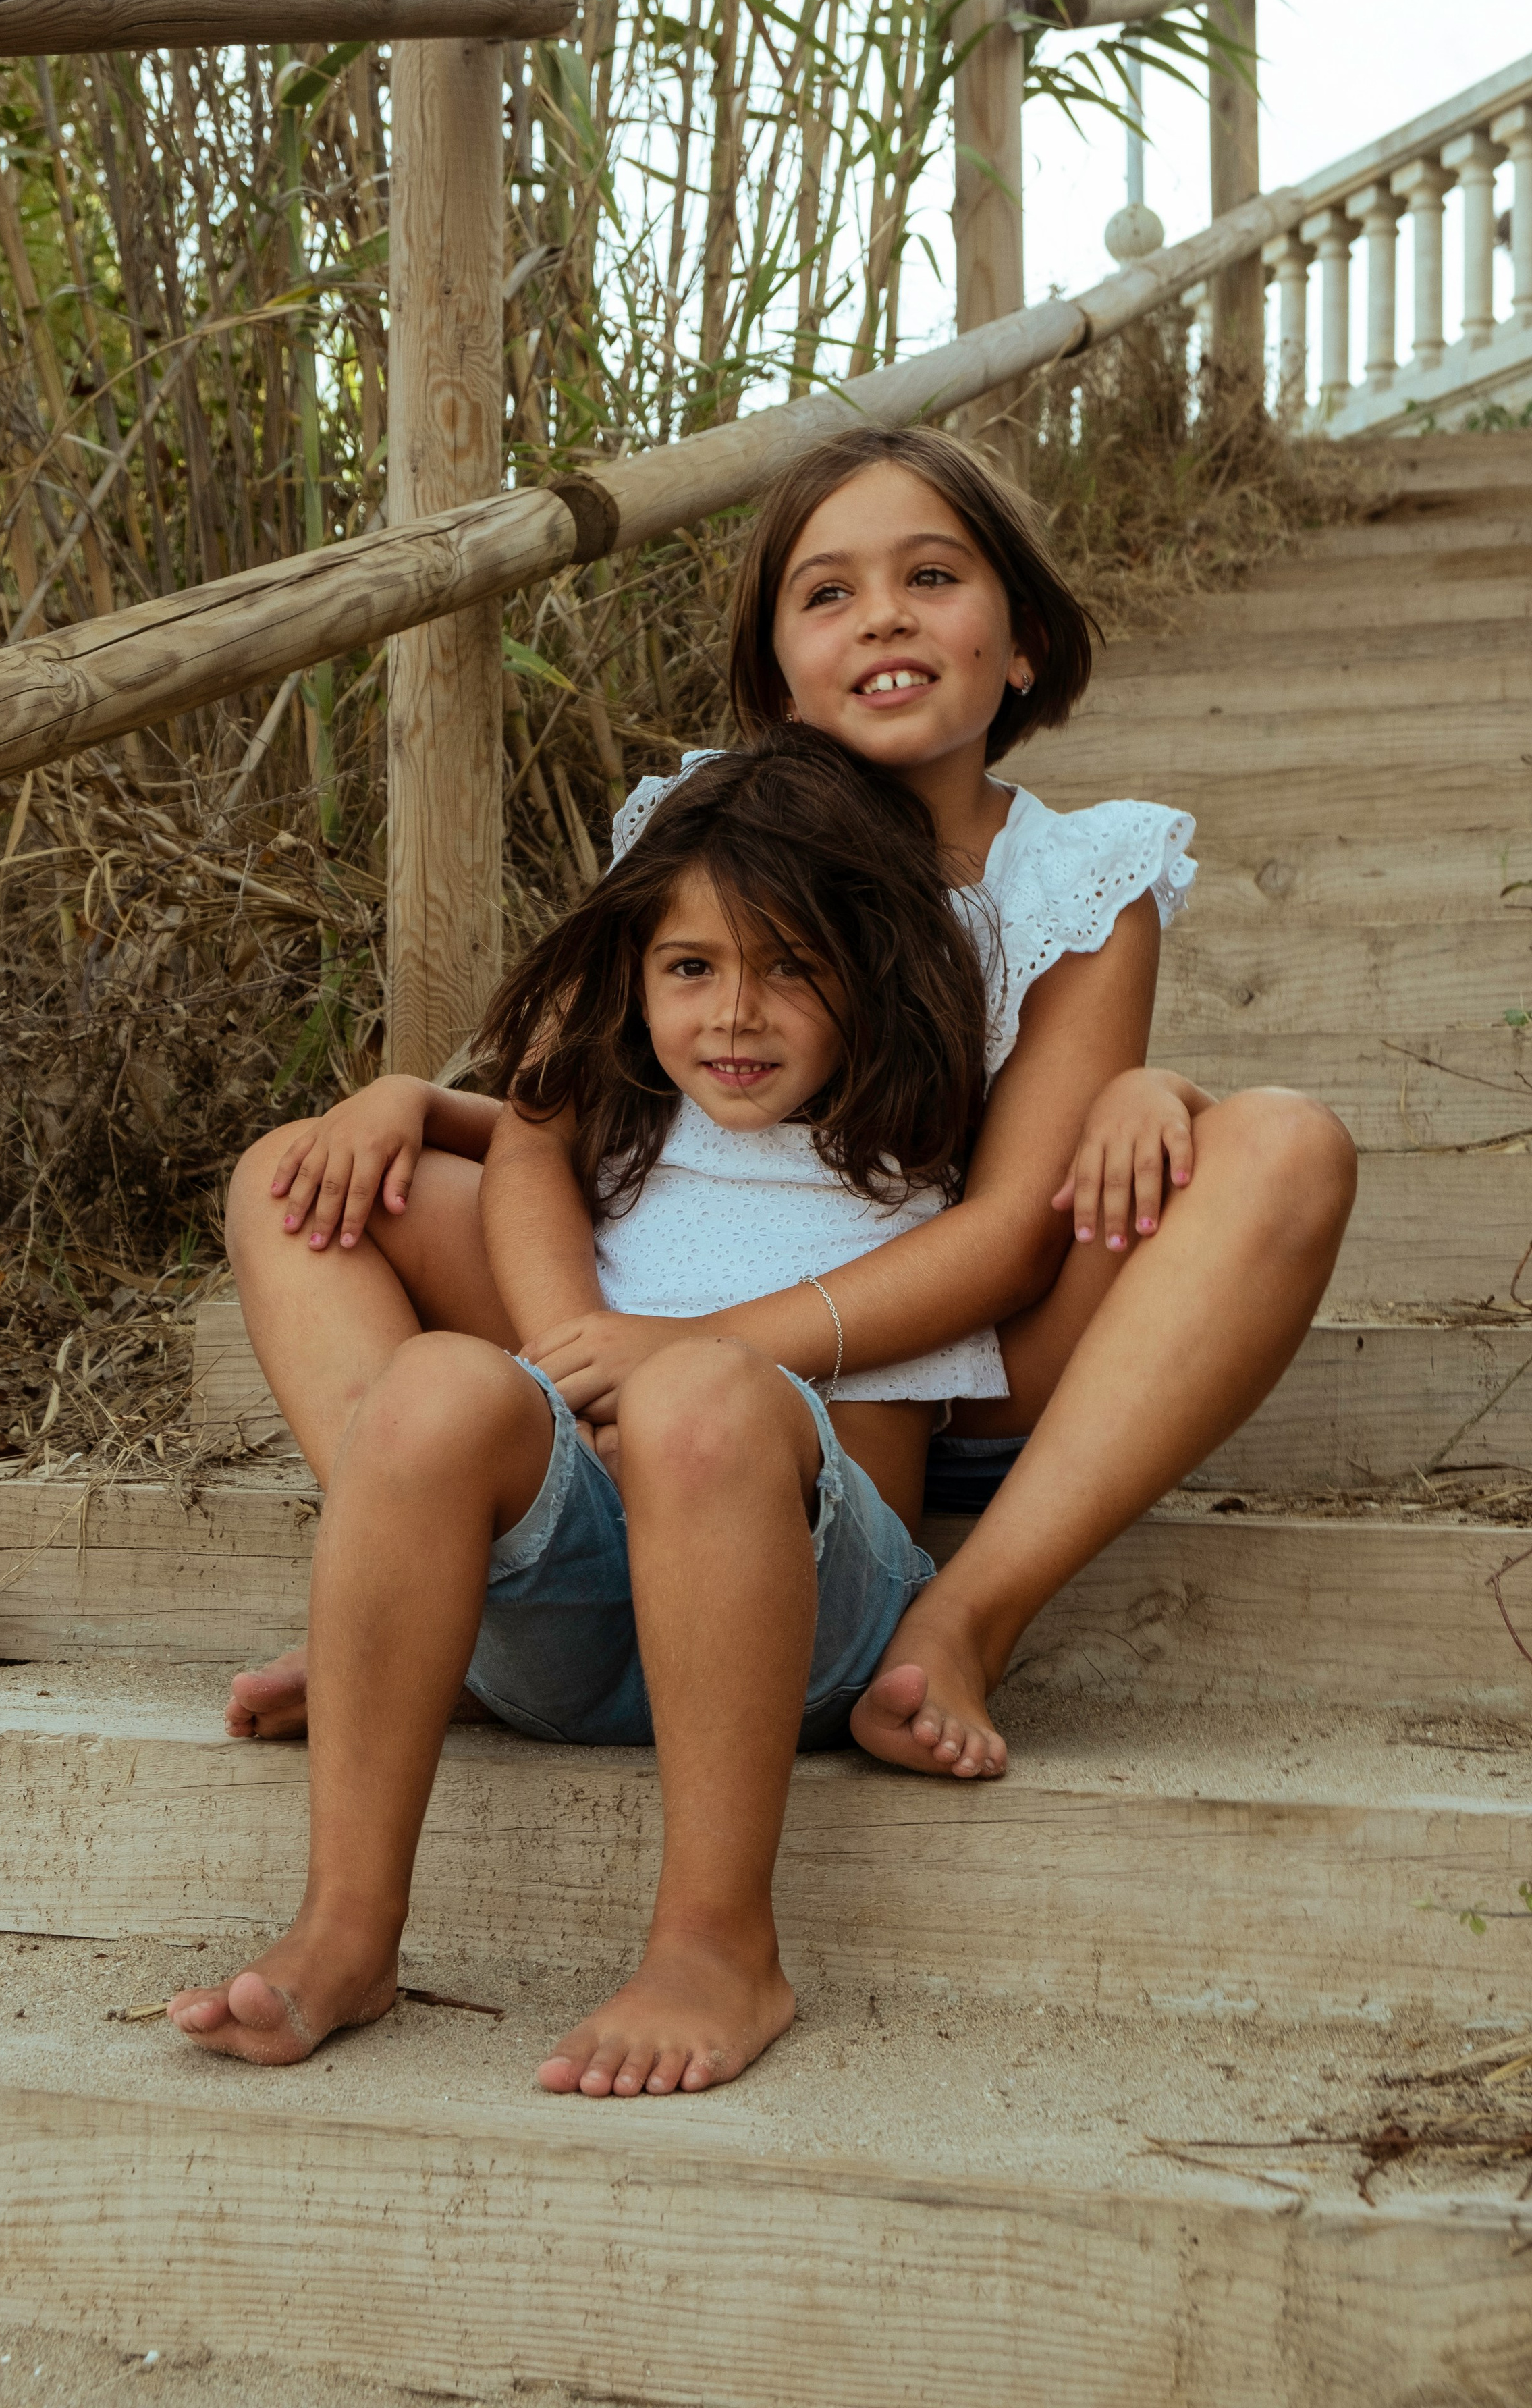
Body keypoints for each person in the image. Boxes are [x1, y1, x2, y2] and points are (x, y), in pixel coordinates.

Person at [220, 423, 1355, 1785]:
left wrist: (1149, 1096)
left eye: (930, 577)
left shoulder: (1075, 877)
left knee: (1283, 1143)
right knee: (297, 1179)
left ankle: (960, 1619)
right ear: (774, 677)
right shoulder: (692, 828)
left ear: (1025, 642)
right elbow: (561, 1119)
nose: (881, 613)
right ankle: (425, 1601)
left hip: (954, 1367)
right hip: (643, 1357)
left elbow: (1008, 1231)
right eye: (826, 592)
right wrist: (535, 1274)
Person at [173, 727, 1013, 2082]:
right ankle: (345, 1925)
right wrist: (411, 1103)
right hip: (568, 1619)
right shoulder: (623, 1109)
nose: (732, 1015)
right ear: (636, 975)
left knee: (703, 1392)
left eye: (790, 969)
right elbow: (518, 1131)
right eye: (690, 969)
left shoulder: (908, 1132)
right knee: (437, 1385)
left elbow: (1064, 1193)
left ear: (877, 973)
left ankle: (714, 1942)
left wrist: (1161, 1094)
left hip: (799, 1626)